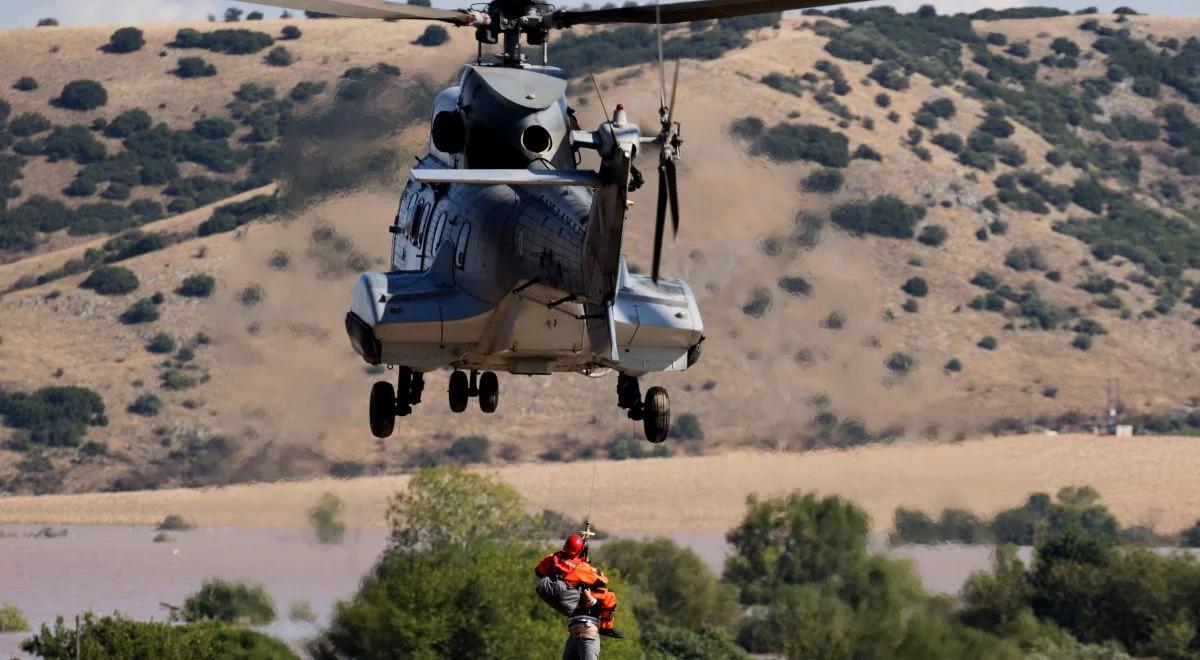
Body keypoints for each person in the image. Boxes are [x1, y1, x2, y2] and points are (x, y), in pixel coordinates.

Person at [535, 533, 624, 659]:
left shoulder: (553, 558)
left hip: (562, 593)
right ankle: (606, 627)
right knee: (609, 596)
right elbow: (602, 580)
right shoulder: (580, 567)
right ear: (579, 550)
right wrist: (585, 563)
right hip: (583, 620)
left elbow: (539, 571)